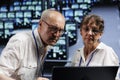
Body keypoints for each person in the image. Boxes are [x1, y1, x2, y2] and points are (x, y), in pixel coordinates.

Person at [0, 9, 65, 80]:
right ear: (40, 24)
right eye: (53, 28)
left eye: (60, 30)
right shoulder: (20, 42)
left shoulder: (46, 45)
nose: (57, 34)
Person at [66, 14, 119, 79]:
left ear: (100, 34)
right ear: (81, 32)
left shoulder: (107, 52)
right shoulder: (77, 54)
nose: (90, 33)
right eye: (86, 29)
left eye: (94, 30)